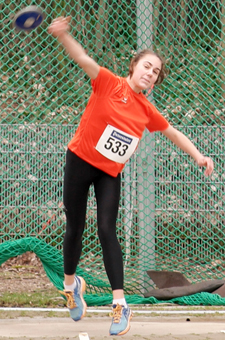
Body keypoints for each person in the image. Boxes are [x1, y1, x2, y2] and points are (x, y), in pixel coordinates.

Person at [48, 17, 214, 336]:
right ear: (134, 65)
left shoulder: (145, 109)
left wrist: (198, 156)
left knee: (107, 229)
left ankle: (120, 305)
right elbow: (83, 58)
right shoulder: (109, 82)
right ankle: (71, 285)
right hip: (79, 160)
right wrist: (63, 35)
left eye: (155, 72)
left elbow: (174, 133)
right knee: (74, 227)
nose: (150, 73)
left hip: (109, 173)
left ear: (153, 82)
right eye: (147, 66)